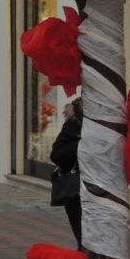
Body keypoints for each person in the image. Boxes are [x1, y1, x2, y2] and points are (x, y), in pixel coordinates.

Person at [50, 96, 83, 249]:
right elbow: (56, 155)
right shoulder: (74, 123)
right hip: (76, 189)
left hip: (103, 188)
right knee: (83, 236)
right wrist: (81, 144)